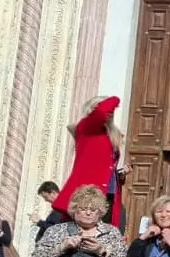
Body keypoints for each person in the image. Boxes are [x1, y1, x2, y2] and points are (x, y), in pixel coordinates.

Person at [52, 95, 124, 226]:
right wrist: (115, 99)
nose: (109, 112)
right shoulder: (87, 127)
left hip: (108, 193)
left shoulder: (109, 134)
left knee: (103, 234)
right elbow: (102, 112)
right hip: (89, 192)